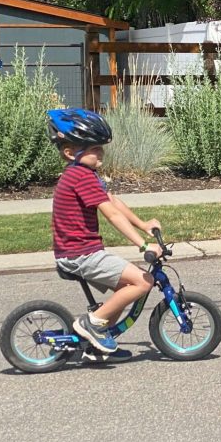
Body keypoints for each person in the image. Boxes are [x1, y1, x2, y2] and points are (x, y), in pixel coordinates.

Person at [47, 108, 163, 354]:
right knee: (144, 282)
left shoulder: (85, 173)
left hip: (78, 251)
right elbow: (111, 215)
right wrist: (142, 245)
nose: (100, 153)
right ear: (70, 153)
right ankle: (90, 324)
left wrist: (142, 224)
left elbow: (112, 201)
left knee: (126, 287)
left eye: (101, 147)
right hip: (81, 254)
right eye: (93, 149)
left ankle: (96, 346)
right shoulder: (81, 176)